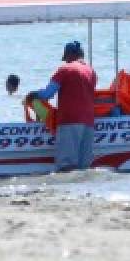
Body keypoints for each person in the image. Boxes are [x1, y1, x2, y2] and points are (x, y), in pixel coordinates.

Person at [26, 41, 97, 170]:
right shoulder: (91, 71)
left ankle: (67, 190)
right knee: (84, 167)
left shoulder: (65, 70)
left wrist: (33, 95)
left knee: (66, 165)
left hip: (70, 121)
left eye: (66, 58)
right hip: (89, 122)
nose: (65, 61)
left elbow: (48, 94)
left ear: (70, 55)